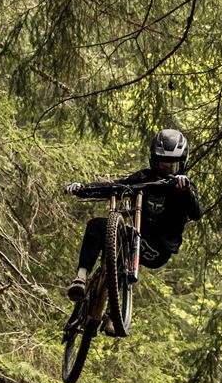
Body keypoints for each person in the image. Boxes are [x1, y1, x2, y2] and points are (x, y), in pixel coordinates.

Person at [65, 129, 201, 313]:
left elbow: (196, 213)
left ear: (182, 165)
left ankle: (115, 313)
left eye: (173, 166)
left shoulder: (185, 187)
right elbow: (115, 187)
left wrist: (184, 190)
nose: (167, 171)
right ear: (154, 161)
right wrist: (83, 189)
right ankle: (81, 278)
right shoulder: (143, 178)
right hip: (134, 234)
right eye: (163, 165)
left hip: (158, 249)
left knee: (127, 248)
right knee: (97, 225)